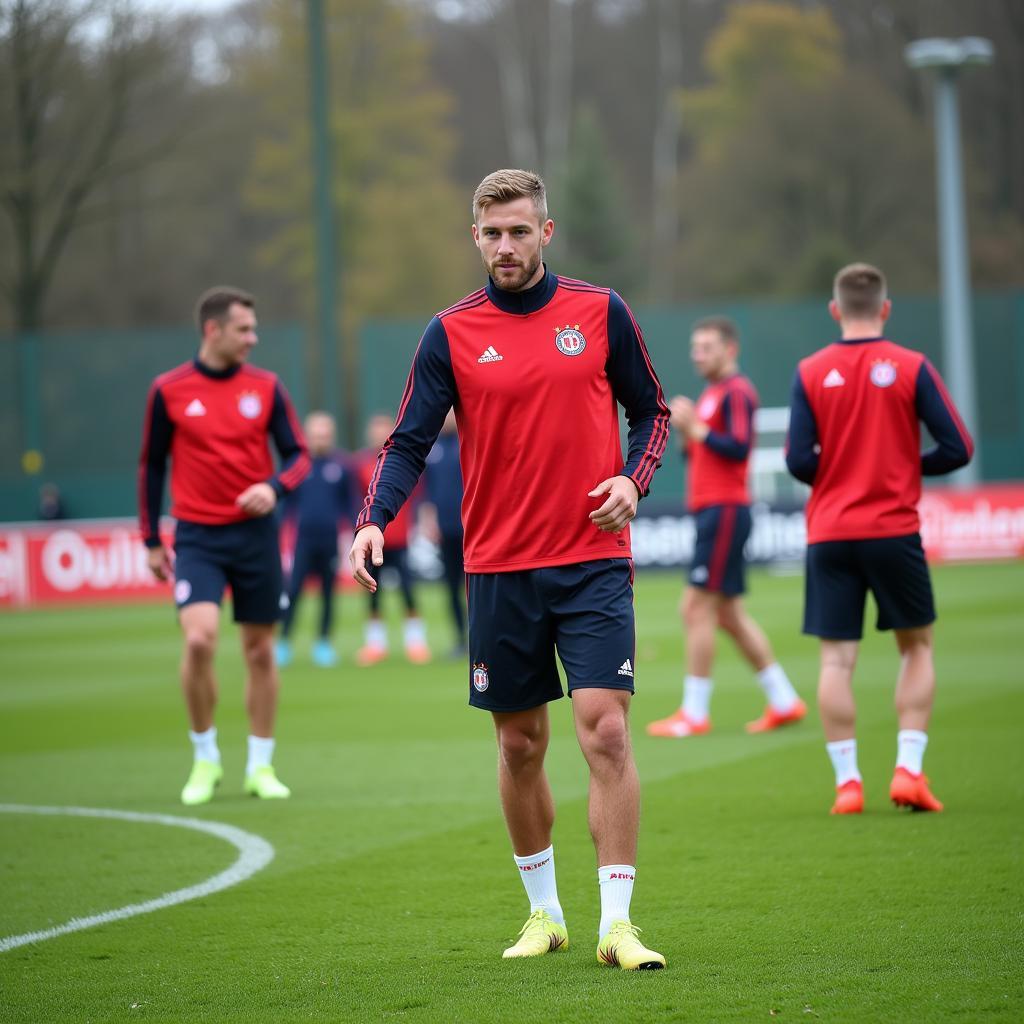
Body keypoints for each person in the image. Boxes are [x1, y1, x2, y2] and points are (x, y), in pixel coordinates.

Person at [349, 169, 670, 969]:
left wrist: (634, 480)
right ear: (475, 237)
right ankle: (545, 914)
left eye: (519, 231)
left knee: (605, 728)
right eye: (492, 233)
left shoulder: (600, 312)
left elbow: (653, 412)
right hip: (498, 567)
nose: (505, 246)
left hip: (592, 558)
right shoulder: (448, 333)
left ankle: (619, 924)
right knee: (521, 746)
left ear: (546, 233)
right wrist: (371, 521)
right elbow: (410, 440)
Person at [785, 263, 973, 815]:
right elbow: (958, 446)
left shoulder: (811, 370)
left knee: (836, 663)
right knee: (916, 648)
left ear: (836, 310)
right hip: (893, 531)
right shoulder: (911, 365)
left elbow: (797, 459)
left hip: (831, 535)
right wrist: (902, 467)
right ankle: (909, 771)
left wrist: (839, 475)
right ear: (885, 309)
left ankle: (848, 785)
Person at [139, 286, 310, 805]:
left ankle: (260, 765)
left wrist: (273, 487)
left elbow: (298, 456)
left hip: (256, 537)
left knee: (259, 651)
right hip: (197, 537)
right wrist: (150, 539)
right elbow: (152, 465)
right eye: (244, 329)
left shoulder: (267, 387)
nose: (252, 339)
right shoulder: (168, 390)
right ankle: (205, 756)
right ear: (213, 330)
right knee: (199, 641)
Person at [647, 317, 804, 739]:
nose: (698, 355)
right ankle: (785, 700)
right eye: (695, 348)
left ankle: (695, 713)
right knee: (729, 615)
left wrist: (697, 428)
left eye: (707, 347)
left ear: (730, 350)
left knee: (694, 608)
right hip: (713, 510)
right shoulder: (714, 394)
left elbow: (737, 449)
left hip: (726, 509)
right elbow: (703, 452)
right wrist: (689, 434)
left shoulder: (737, 392)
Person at [276, 411, 354, 668]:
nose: (321, 439)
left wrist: (351, 536)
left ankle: (323, 643)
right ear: (307, 436)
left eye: (325, 434)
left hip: (329, 541)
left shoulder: (341, 466)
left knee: (329, 594)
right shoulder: (297, 465)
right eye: (317, 434)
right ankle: (284, 642)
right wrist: (280, 537)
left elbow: (350, 505)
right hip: (303, 541)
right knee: (293, 591)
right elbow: (285, 506)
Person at [353, 413, 432, 665]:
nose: (379, 434)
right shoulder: (361, 464)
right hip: (373, 541)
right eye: (375, 430)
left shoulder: (403, 465)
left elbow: (418, 496)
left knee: (408, 591)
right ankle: (376, 645)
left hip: (400, 540)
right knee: (373, 594)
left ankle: (416, 643)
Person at [420, 409, 467, 657]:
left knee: (476, 588)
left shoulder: (468, 440)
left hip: (472, 529)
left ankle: (481, 637)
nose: (447, 417)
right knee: (451, 587)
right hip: (445, 529)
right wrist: (429, 520)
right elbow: (427, 492)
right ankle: (460, 638)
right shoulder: (433, 448)